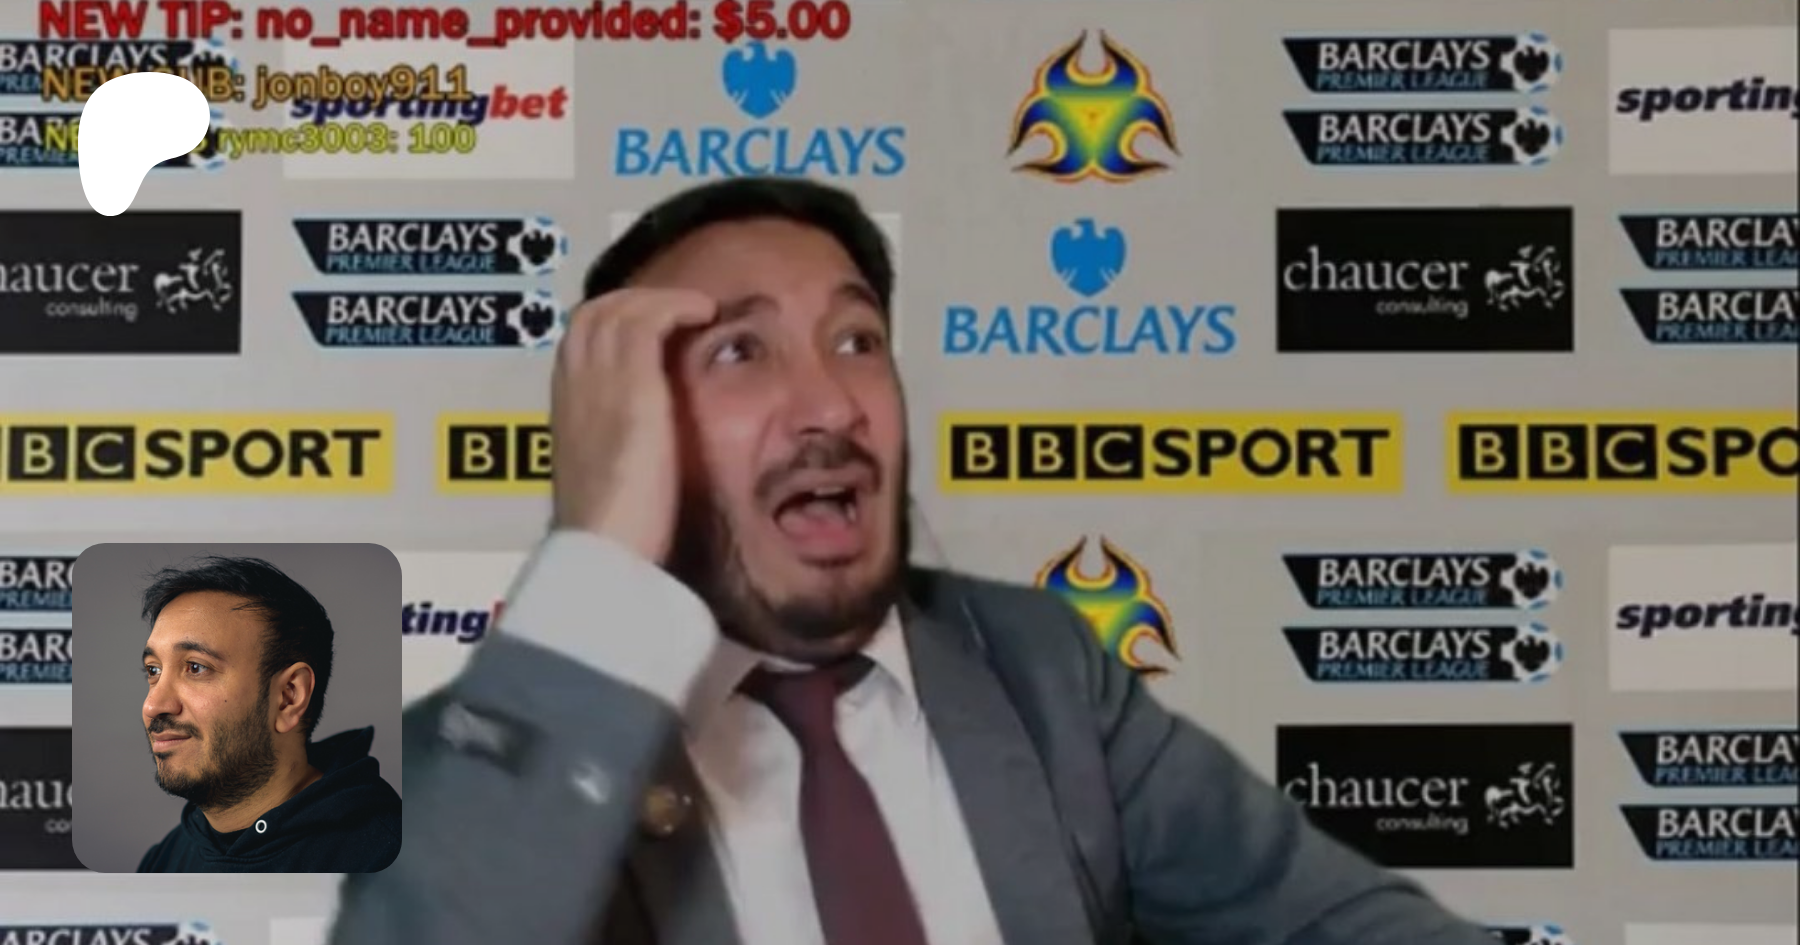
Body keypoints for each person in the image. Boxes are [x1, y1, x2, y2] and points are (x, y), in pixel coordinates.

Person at [326, 178, 1498, 944]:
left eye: (857, 340)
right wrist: (596, 566)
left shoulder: (1040, 672)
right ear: (632, 433)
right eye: (741, 352)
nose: (830, 403)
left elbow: (1344, 928)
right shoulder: (475, 761)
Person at [137, 555, 401, 872]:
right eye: (153, 670)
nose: (153, 706)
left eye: (196, 667)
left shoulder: (393, 862)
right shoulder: (164, 860)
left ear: (289, 697)